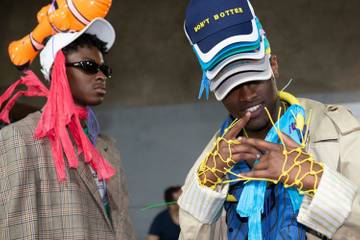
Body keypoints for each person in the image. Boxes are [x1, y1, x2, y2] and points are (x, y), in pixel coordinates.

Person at [178, 0, 360, 239]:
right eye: (230, 85)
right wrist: (204, 192)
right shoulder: (209, 165)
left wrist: (317, 181)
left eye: (253, 77)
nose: (246, 96)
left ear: (273, 65)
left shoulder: (337, 131)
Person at [0, 18, 136, 239]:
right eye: (89, 66)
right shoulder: (20, 139)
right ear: (57, 70)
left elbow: (122, 227)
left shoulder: (106, 148)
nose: (101, 76)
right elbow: (17, 229)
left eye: (104, 69)